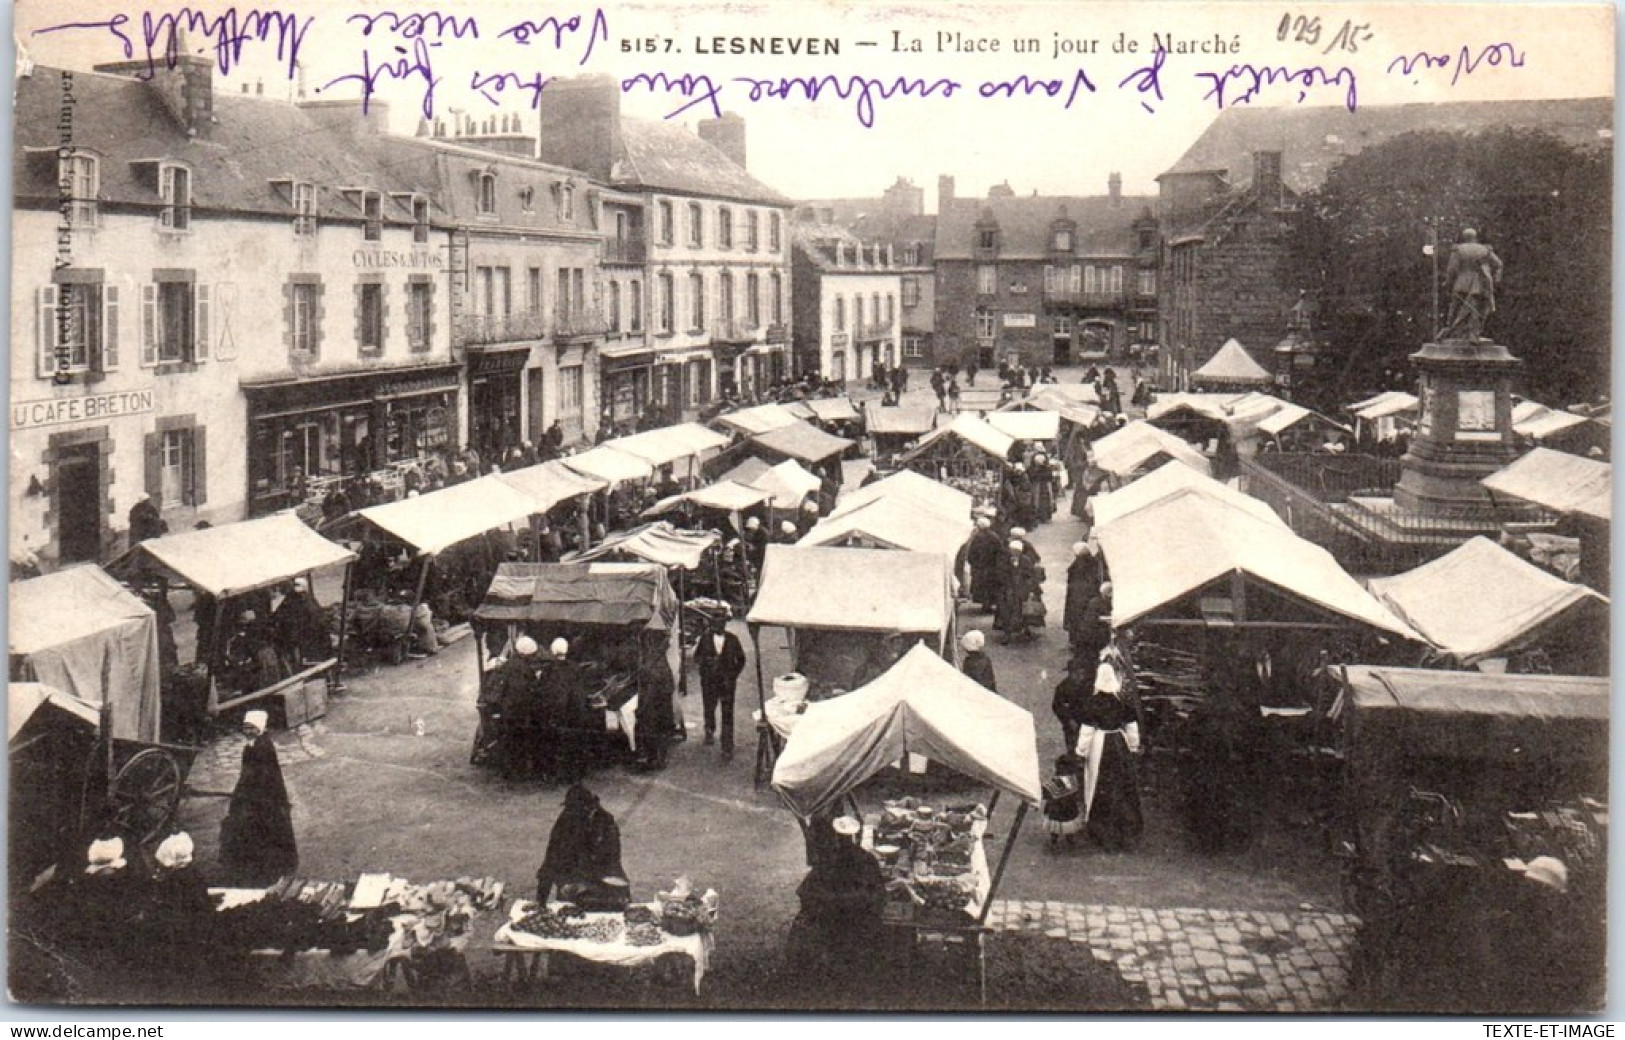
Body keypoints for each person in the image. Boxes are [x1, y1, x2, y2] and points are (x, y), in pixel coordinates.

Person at [220, 711, 298, 885]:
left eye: (251, 728)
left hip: (264, 794)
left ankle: (268, 866)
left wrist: (249, 793)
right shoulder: (252, 745)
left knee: (263, 827)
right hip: (254, 790)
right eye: (245, 727)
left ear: (260, 728)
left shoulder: (262, 747)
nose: (247, 731)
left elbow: (263, 775)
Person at [1074, 662, 1143, 852]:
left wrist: (1080, 751)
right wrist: (1133, 746)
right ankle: (1125, 829)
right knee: (1122, 783)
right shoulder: (1122, 702)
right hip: (1119, 743)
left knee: (1099, 783)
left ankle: (1101, 827)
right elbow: (1131, 727)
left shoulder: (1093, 703)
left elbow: (1087, 730)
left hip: (1100, 743)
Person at [794, 814, 885, 953]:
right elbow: (878, 892)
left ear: (835, 836)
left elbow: (806, 890)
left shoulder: (829, 859)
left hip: (833, 916)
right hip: (859, 917)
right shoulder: (867, 858)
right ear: (855, 835)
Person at [534, 784, 629, 911]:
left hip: (604, 882)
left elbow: (611, 861)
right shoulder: (566, 818)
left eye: (575, 812)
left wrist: (588, 885)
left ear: (589, 808)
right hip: (572, 881)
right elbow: (551, 858)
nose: (571, 815)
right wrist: (541, 901)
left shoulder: (606, 822)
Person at [694, 614, 746, 754]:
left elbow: (741, 659)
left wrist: (733, 675)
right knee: (709, 707)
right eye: (714, 625)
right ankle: (709, 730)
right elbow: (697, 657)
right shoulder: (705, 639)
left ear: (724, 624)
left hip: (727, 683)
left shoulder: (733, 639)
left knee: (727, 712)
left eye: (720, 624)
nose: (716, 627)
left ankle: (727, 745)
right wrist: (704, 668)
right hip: (709, 682)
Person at [1442, 228, 1504, 341]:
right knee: (1476, 309)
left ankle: (1454, 331)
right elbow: (1499, 264)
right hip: (1479, 284)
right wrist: (1496, 279)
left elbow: (1452, 269)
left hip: (1462, 282)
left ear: (1464, 237)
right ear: (1475, 237)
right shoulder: (1485, 250)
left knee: (1456, 308)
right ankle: (1473, 334)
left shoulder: (1458, 250)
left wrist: (1448, 283)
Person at [634, 630, 678, 771]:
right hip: (660, 702)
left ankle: (655, 758)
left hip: (653, 704)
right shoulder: (661, 661)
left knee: (653, 730)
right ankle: (658, 758)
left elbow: (650, 684)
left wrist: (643, 704)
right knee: (660, 730)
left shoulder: (651, 662)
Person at [272, 577, 330, 671]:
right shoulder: (304, 598)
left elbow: (280, 614)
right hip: (303, 632)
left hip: (301, 633)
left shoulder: (297, 599)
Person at [995, 539, 1041, 644]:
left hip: (1021, 591)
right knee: (1007, 613)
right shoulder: (1004, 560)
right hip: (1008, 591)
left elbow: (1030, 575)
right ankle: (1007, 634)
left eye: (1016, 551)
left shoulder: (1026, 560)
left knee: (1023, 611)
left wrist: (1028, 588)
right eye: (1012, 550)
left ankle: (1025, 629)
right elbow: (999, 574)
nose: (1013, 552)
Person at [1064, 541, 1103, 644]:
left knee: (1077, 617)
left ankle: (1077, 639)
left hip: (1078, 596)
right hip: (1086, 594)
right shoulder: (1093, 561)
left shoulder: (1080, 563)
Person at [964, 516, 1005, 614]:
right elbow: (1000, 552)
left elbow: (971, 553)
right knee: (990, 587)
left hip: (980, 568)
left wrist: (973, 563)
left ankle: (985, 605)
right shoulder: (994, 537)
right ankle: (989, 604)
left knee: (981, 587)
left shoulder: (977, 538)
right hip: (992, 567)